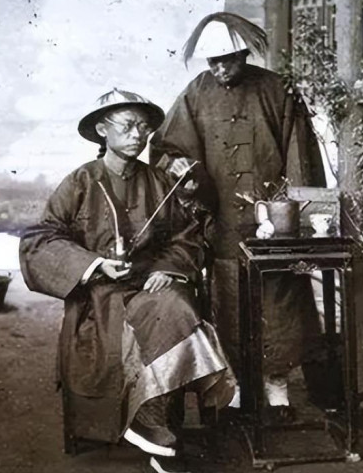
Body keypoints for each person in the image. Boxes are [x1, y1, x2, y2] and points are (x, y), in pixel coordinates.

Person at [19, 89, 235, 473]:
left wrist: (166, 269)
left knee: (176, 308)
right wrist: (93, 264)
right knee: (138, 325)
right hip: (100, 296)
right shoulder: (81, 182)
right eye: (128, 126)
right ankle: (149, 427)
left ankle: (154, 423)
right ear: (103, 130)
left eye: (144, 127)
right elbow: (40, 240)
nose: (138, 135)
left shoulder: (158, 181)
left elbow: (186, 237)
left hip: (149, 283)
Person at [150, 13, 327, 415]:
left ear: (244, 54)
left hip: (276, 220)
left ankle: (277, 387)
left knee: (280, 301)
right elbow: (167, 147)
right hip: (224, 219)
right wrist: (179, 165)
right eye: (212, 62)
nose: (219, 69)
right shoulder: (197, 93)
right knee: (229, 303)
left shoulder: (276, 90)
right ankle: (237, 390)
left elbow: (299, 153)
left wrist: (297, 213)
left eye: (227, 60)